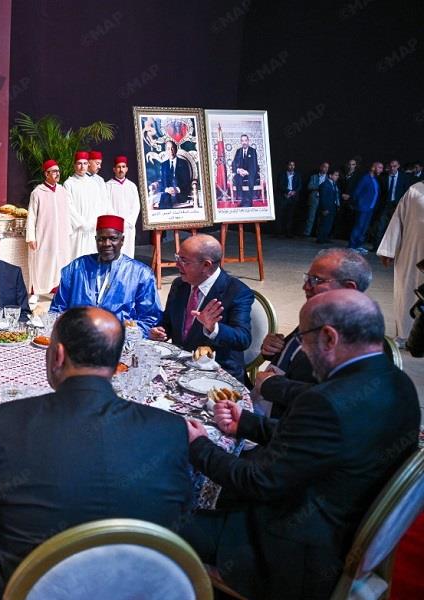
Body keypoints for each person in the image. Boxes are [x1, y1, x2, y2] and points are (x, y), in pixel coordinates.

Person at [183, 290, 420, 600]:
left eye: (304, 339)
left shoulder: (324, 401)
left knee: (158, 513)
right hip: (340, 515)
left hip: (292, 551)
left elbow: (260, 482)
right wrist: (247, 424)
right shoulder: (398, 382)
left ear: (329, 338)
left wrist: (199, 446)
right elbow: (323, 442)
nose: (303, 352)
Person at [0, 307, 192, 599]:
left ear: (57, 355)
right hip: (135, 589)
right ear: (115, 360)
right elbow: (181, 517)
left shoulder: (4, 424)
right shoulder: (170, 430)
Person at [255, 248, 372, 416]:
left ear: (348, 288)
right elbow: (293, 363)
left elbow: (333, 399)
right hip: (266, 408)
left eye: (316, 280)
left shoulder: (354, 340)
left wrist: (271, 385)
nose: (305, 286)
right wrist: (272, 349)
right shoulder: (320, 313)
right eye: (307, 278)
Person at [150, 234, 253, 383]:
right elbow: (168, 323)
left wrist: (214, 328)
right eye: (177, 258)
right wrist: (160, 331)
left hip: (217, 375)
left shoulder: (237, 292)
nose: (177, 265)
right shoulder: (180, 284)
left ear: (206, 265)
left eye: (184, 261)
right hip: (179, 369)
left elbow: (243, 339)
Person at [50, 215, 161, 335]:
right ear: (95, 240)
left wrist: (125, 333)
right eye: (101, 239)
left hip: (120, 343)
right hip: (77, 340)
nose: (106, 244)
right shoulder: (76, 268)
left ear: (122, 240)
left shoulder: (141, 274)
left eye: (113, 238)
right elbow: (56, 311)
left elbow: (150, 319)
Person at [377, 181, 424, 342]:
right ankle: (405, 335)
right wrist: (388, 249)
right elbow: (398, 219)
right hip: (412, 255)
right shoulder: (415, 190)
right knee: (408, 291)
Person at [26, 159, 72, 296]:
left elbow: (67, 213)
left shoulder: (63, 191)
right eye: (54, 171)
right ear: (46, 174)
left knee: (61, 262)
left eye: (58, 171)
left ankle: (58, 290)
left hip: (61, 235)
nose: (57, 174)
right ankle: (40, 290)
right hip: (44, 235)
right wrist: (31, 237)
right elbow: (32, 215)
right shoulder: (38, 192)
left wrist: (68, 232)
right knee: (44, 262)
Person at [64, 150, 109, 258]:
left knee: (91, 257)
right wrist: (82, 223)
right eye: (79, 163)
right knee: (75, 257)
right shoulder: (69, 184)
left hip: (91, 228)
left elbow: (99, 205)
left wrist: (93, 222)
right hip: (77, 230)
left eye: (84, 163)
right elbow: (68, 207)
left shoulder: (93, 184)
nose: (82, 167)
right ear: (74, 165)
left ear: (88, 164)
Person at [105, 155, 141, 258]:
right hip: (114, 226)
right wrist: (117, 222)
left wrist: (129, 221)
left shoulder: (132, 186)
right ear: (114, 169)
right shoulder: (108, 186)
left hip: (129, 226)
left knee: (128, 251)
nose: (121, 169)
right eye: (119, 167)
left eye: (123, 166)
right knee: (114, 252)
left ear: (127, 169)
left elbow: (136, 206)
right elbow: (107, 205)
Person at [371, 159, 411, 248]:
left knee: (396, 227)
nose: (392, 168)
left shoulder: (403, 177)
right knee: (381, 226)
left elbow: (406, 192)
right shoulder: (383, 177)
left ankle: (392, 247)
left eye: (395, 166)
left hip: (397, 205)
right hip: (385, 204)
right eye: (391, 166)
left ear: (398, 166)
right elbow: (379, 191)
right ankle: (377, 246)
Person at [348, 161, 383, 253]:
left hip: (370, 209)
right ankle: (351, 246)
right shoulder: (365, 178)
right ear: (373, 168)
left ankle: (358, 245)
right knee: (358, 226)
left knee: (364, 227)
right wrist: (357, 204)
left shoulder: (375, 179)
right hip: (362, 207)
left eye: (381, 168)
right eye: (379, 167)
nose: (381, 170)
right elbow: (356, 192)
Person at [158, 140, 194, 209]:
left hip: (180, 193)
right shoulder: (163, 165)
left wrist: (177, 189)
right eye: (168, 149)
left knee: (170, 201)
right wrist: (167, 189)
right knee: (164, 202)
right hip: (167, 194)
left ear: (176, 149)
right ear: (166, 151)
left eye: (172, 148)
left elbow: (187, 181)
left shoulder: (183, 163)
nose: (171, 151)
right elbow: (162, 181)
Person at [230, 134, 260, 207]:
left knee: (251, 178)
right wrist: (238, 170)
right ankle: (242, 200)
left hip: (251, 172)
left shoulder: (253, 151)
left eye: (245, 140)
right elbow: (234, 163)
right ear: (241, 142)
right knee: (237, 178)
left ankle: (249, 201)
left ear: (248, 141)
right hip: (241, 173)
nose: (244, 142)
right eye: (242, 141)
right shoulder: (238, 151)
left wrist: (247, 172)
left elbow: (254, 164)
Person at [315, 169, 341, 244]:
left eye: (338, 175)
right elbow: (323, 198)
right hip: (327, 207)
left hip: (333, 206)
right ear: (330, 175)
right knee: (324, 223)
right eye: (336, 175)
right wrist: (324, 208)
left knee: (329, 224)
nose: (337, 177)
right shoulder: (324, 185)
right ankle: (320, 238)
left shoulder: (334, 184)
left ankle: (325, 237)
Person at [276, 160, 301, 237]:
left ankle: (288, 233)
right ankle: (279, 232)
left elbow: (299, 185)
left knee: (290, 216)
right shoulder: (282, 175)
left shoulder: (297, 175)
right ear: (287, 166)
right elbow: (280, 185)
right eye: (290, 165)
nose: (292, 166)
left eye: (293, 165)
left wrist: (293, 192)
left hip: (293, 197)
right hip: (284, 197)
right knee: (281, 215)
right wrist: (287, 192)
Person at [303, 162, 329, 237]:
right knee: (311, 217)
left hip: (323, 199)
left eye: (327, 167)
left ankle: (319, 234)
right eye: (324, 167)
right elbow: (309, 186)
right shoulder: (314, 177)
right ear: (321, 167)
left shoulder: (328, 178)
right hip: (314, 198)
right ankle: (307, 233)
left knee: (321, 218)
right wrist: (320, 187)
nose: (326, 169)